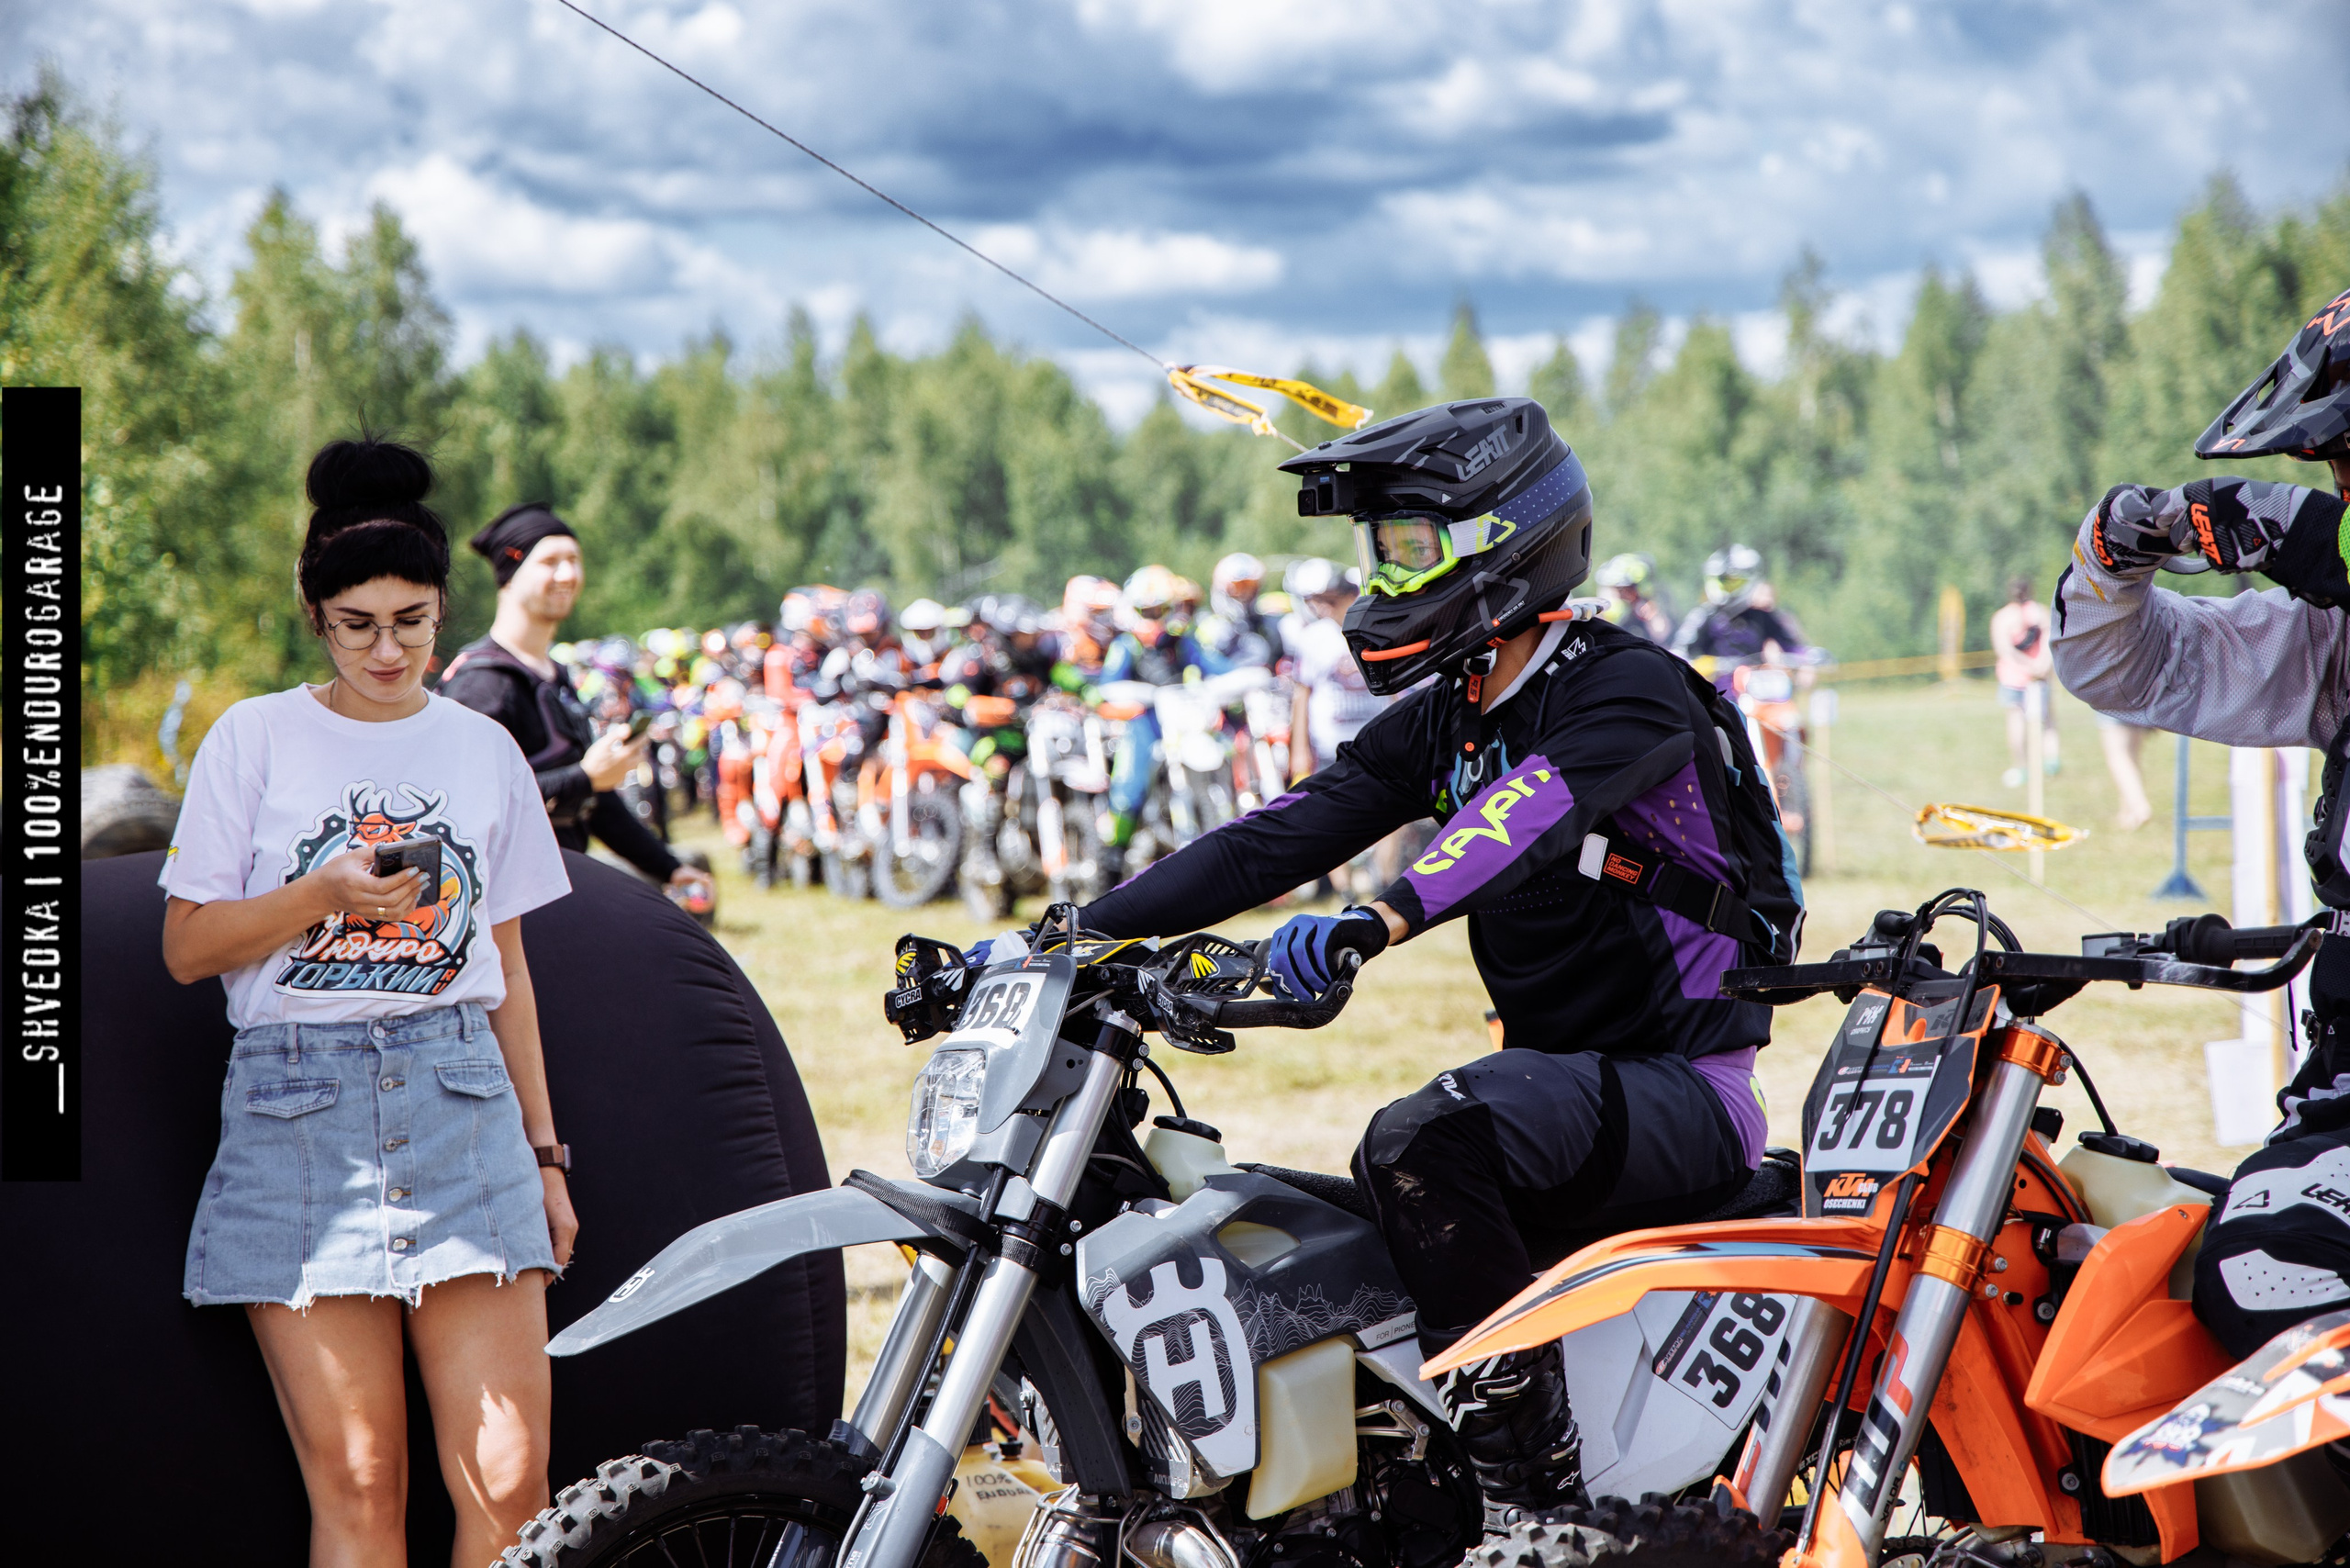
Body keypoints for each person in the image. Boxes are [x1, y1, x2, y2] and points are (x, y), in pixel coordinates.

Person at [1070, 398, 1803, 1521]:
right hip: (1558, 1087)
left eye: (1411, 545)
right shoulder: (1454, 709)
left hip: (1685, 1092)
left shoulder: (1624, 684)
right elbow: (1279, 832)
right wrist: (1075, 931)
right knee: (1276, 1206)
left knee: (1424, 1137)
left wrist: (1377, 917)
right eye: (1380, 549)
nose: (1387, 574)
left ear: (1506, 540)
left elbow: (1527, 815)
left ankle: (1528, 1494)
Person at [158, 438, 576, 1566]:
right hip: (299, 1107)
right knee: (359, 1479)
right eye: (359, 623)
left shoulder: (484, 748)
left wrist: (546, 1154)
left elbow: (511, 970)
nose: (389, 649)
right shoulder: (252, 736)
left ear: (447, 607)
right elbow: (188, 947)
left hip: (462, 1096)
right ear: (314, 612)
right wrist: (320, 893)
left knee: (511, 1479)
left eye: (415, 619)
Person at [2048, 286, 2350, 1361]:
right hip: (2338, 1092)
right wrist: (2113, 561)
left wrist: (2300, 528)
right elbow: (2142, 669)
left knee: (2264, 1272)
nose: (2340, 490)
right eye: (2335, 470)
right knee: (2093, 1247)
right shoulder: (2336, 642)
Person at [439, 503, 712, 905]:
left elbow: (594, 804)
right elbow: (472, 801)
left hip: (561, 886)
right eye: (550, 561)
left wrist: (669, 868)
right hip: (506, 905)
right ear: (509, 573)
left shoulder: (555, 675)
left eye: (574, 560)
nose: (568, 574)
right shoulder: (483, 682)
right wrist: (584, 777)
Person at [1099, 565, 1227, 853]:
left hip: (1184, 719)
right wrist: (1136, 695)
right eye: (1148, 611)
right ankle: (1113, 857)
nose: (1155, 618)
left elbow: (1218, 667)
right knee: (1130, 787)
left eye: (1161, 610)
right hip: (1146, 722)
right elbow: (1107, 686)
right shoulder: (1126, 645)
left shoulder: (1182, 642)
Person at [1671, 543, 1808, 689]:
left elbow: (1792, 646)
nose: (1725, 588)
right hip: (1713, 695)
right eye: (1721, 581)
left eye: (1732, 582)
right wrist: (1702, 665)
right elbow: (1677, 654)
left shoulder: (1761, 616)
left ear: (1749, 581)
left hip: (1756, 692)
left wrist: (1808, 658)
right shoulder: (1703, 615)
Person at [1990, 576, 2059, 790]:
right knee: (2047, 723)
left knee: (2016, 722)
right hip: (2038, 677)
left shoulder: (2002, 617)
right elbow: (2051, 642)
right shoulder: (2040, 612)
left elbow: (2004, 650)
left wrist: (2026, 666)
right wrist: (2039, 666)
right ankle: (2052, 763)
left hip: (2013, 679)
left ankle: (2022, 767)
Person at [1593, 552, 1673, 644]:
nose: (1623, 594)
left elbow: (1661, 634)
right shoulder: (1612, 605)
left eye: (1626, 589)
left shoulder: (1645, 606)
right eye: (1618, 589)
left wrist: (1651, 616)